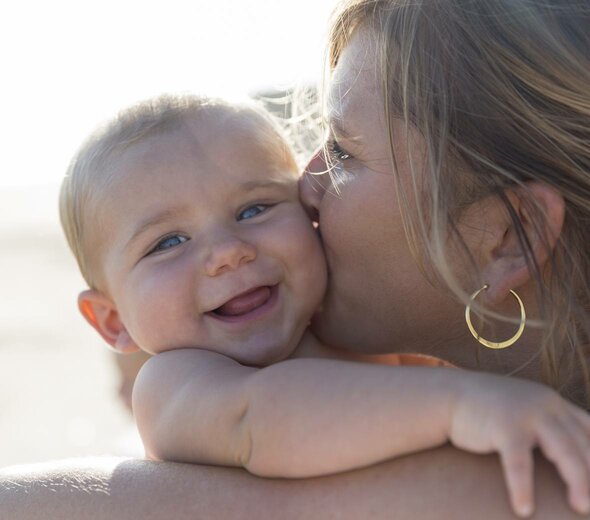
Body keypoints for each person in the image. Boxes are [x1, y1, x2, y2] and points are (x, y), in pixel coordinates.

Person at [1, 0, 589, 518]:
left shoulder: (409, 359)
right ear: (111, 321)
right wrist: (463, 404)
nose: (229, 252)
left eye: (256, 207)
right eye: (168, 242)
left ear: (506, 238)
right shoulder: (180, 383)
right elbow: (265, 420)